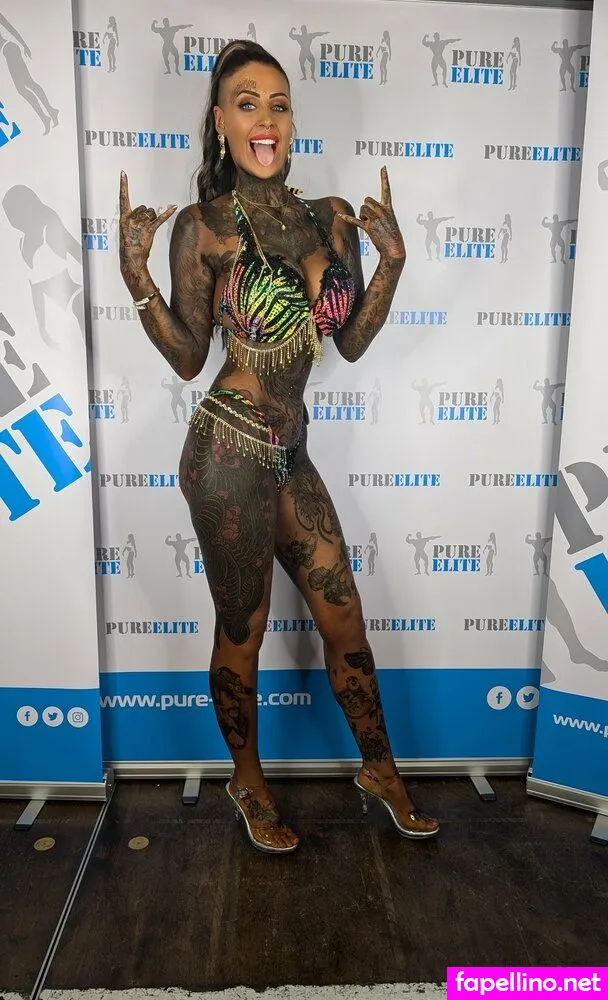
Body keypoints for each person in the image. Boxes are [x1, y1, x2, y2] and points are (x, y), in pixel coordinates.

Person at [118, 39, 438, 854]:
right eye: (248, 103)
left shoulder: (330, 216)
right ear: (221, 122)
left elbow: (351, 343)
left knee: (344, 616)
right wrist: (138, 279)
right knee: (246, 625)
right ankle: (248, 780)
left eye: (279, 104)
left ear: (292, 121)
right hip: (226, 449)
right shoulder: (203, 226)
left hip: (291, 449)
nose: (266, 119)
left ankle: (380, 770)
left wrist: (393, 264)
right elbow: (189, 357)